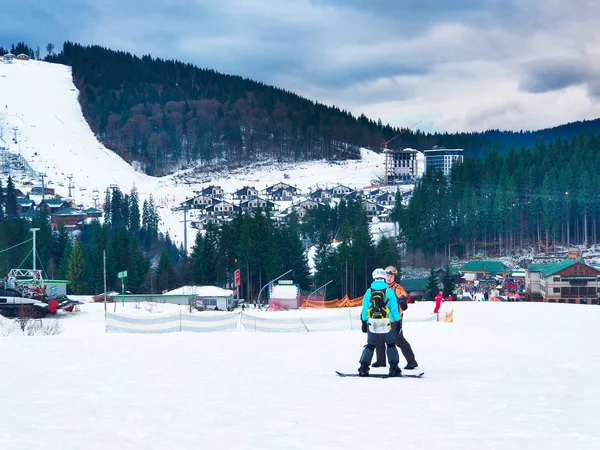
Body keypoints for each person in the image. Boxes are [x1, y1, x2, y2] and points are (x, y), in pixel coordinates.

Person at [358, 268, 403, 377]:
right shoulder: (389, 292)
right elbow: (394, 309)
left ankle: (364, 367)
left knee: (370, 345)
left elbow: (365, 309)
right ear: (384, 277)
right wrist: (398, 321)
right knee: (391, 344)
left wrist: (364, 321)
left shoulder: (369, 292)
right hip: (388, 322)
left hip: (372, 322)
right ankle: (393, 368)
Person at [373, 265, 419, 370]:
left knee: (398, 339)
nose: (389, 278)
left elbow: (402, 294)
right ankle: (381, 361)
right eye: (387, 276)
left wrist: (402, 299)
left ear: (394, 278)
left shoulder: (396, 287)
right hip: (382, 318)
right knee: (379, 339)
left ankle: (411, 361)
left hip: (395, 319)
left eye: (391, 276)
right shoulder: (381, 287)